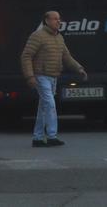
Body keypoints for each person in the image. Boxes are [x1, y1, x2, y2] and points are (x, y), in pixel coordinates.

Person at [20, 10, 86, 148]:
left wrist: (79, 68)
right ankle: (52, 136)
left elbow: (66, 57)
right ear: (47, 21)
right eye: (55, 19)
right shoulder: (38, 36)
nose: (58, 21)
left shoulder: (59, 38)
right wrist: (30, 76)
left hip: (53, 76)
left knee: (43, 107)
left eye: (59, 19)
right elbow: (26, 56)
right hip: (40, 75)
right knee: (50, 104)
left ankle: (37, 138)